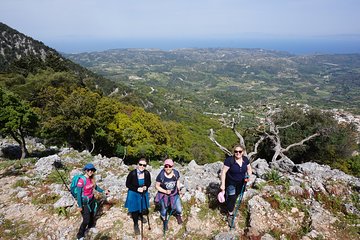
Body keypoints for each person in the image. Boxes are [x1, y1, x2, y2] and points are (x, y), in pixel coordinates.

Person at [220, 145, 252, 227]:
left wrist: (249, 176)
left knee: (237, 195)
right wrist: (223, 184)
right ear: (234, 152)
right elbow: (223, 172)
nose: (238, 153)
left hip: (241, 183)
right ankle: (230, 214)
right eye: (236, 151)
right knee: (232, 198)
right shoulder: (229, 160)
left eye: (240, 151)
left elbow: (249, 168)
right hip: (231, 183)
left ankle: (228, 201)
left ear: (243, 152)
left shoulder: (245, 159)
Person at [76, 163, 109, 240]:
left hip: (92, 200)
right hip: (85, 202)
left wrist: (104, 191)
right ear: (86, 170)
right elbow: (78, 194)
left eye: (92, 170)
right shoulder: (81, 180)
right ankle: (80, 235)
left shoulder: (92, 179)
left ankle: (91, 227)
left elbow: (96, 187)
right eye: (89, 170)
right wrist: (80, 206)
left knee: (92, 214)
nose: (90, 171)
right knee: (86, 219)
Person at [124, 158, 151, 235]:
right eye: (140, 164)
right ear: (137, 164)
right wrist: (137, 189)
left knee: (142, 207)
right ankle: (135, 224)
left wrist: (146, 186)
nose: (142, 166)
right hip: (133, 193)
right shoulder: (132, 173)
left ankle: (140, 216)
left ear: (146, 166)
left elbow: (149, 182)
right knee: (135, 208)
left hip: (143, 192)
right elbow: (127, 184)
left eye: (144, 165)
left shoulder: (146, 173)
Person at [155, 158, 183, 229]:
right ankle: (164, 220)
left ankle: (177, 215)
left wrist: (178, 189)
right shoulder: (161, 175)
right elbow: (157, 186)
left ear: (172, 166)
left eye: (169, 166)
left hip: (174, 194)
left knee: (179, 209)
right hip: (164, 195)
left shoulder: (176, 173)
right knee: (164, 211)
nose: (168, 168)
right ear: (164, 166)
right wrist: (165, 191)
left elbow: (178, 181)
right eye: (166, 166)